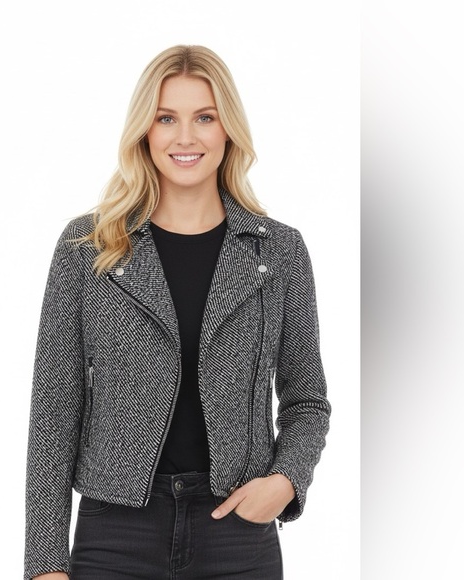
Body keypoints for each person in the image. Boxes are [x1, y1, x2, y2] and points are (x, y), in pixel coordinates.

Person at [24, 45, 331, 580]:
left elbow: (307, 401)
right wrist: (45, 564)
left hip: (237, 534)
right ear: (144, 131)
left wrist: (285, 482)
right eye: (166, 118)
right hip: (115, 536)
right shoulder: (89, 247)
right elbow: (54, 412)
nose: (185, 137)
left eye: (204, 117)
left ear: (228, 129)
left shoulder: (278, 251)